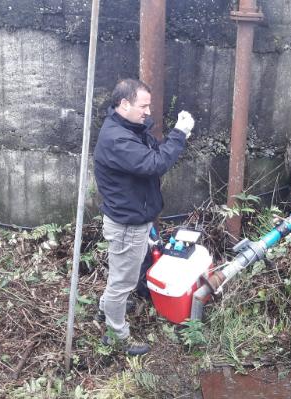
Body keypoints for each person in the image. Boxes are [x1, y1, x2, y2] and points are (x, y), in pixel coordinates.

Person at [93, 78, 194, 355]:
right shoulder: (117, 139)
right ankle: (117, 336)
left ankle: (105, 311)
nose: (148, 111)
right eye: (143, 105)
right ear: (124, 104)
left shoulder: (128, 129)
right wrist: (179, 133)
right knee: (122, 282)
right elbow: (155, 163)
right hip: (127, 224)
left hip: (133, 217)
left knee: (122, 275)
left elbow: (153, 153)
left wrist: (169, 135)